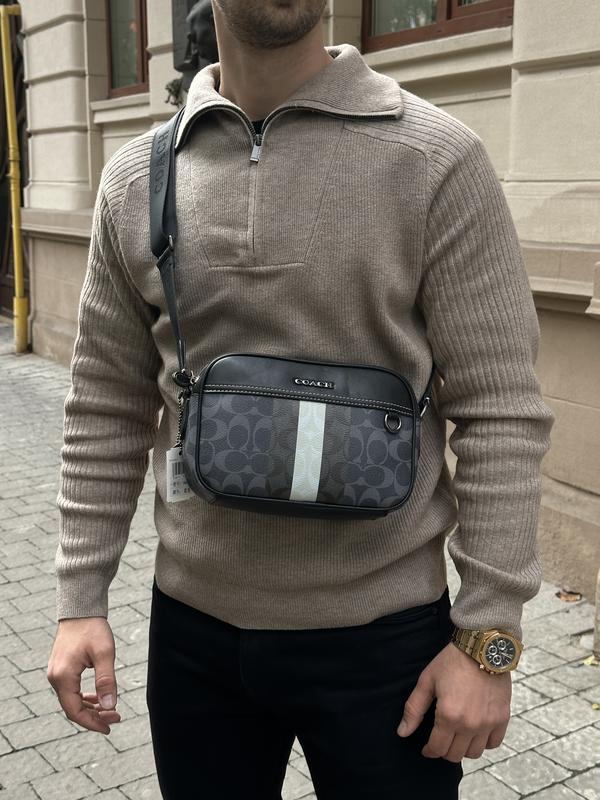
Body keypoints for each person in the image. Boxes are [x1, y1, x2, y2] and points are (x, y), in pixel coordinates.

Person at [46, 1, 555, 798]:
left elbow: (501, 409)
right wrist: (80, 600)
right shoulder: (137, 178)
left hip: (389, 647)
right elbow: (105, 404)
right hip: (193, 640)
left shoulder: (436, 159)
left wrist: (489, 637)